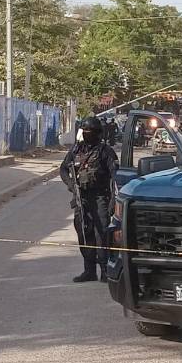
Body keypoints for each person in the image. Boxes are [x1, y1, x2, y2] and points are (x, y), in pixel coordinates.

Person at [60, 117, 119, 283]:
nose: (87, 134)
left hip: (100, 198)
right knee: (84, 234)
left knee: (102, 234)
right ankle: (89, 270)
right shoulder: (76, 150)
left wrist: (113, 200)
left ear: (98, 133)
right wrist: (71, 184)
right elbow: (63, 169)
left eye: (90, 132)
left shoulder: (105, 151)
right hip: (81, 198)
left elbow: (115, 177)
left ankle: (105, 271)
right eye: (85, 131)